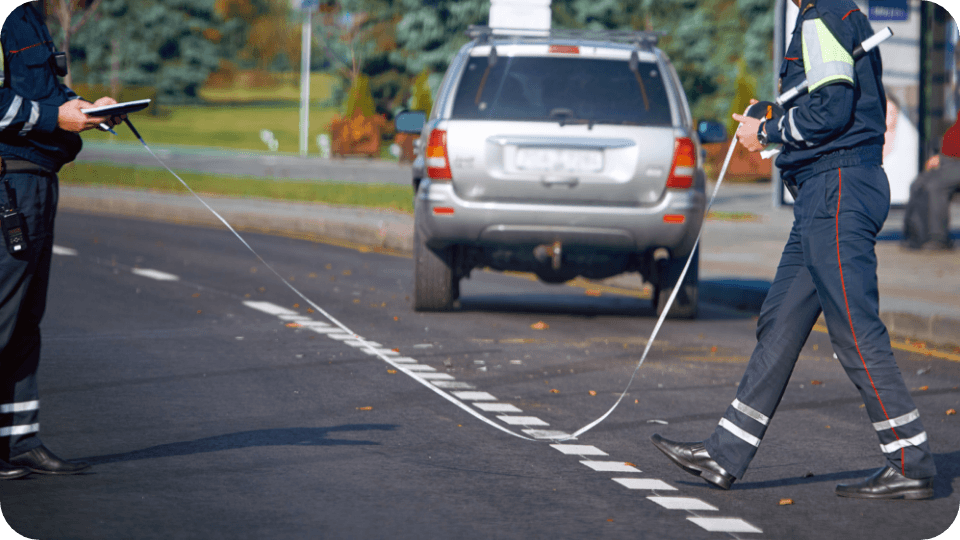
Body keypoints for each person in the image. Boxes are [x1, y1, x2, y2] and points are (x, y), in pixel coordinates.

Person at [650, 0, 937, 500]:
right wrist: (778, 117)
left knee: (855, 329)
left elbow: (833, 107)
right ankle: (725, 454)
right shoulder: (834, 16)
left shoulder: (822, 17)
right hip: (825, 194)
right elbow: (828, 100)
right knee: (779, 320)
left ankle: (911, 462)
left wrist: (766, 131)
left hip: (839, 191)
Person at [0, 0, 121, 478]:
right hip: (8, 183)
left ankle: (19, 440)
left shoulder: (31, 16)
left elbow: (42, 91)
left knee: (26, 317)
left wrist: (85, 109)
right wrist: (55, 120)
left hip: (38, 178)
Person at [902, 111, 960, 250]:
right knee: (918, 184)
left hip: (956, 162)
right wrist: (941, 156)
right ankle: (918, 236)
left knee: (934, 186)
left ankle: (937, 238)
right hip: (948, 159)